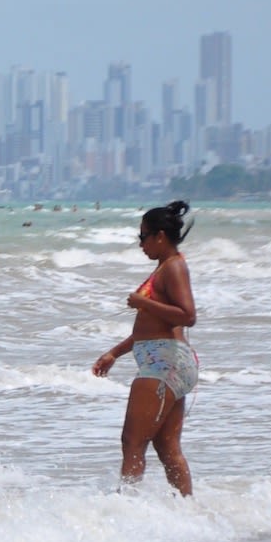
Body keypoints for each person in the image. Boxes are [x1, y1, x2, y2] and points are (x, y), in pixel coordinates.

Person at [92, 201, 198, 495]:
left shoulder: (174, 268)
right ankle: (187, 510)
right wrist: (114, 352)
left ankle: (127, 509)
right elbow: (152, 327)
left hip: (163, 364)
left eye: (143, 237)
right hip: (170, 361)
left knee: (132, 441)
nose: (140, 244)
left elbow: (188, 315)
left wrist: (143, 302)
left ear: (160, 236)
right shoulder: (167, 267)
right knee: (166, 446)